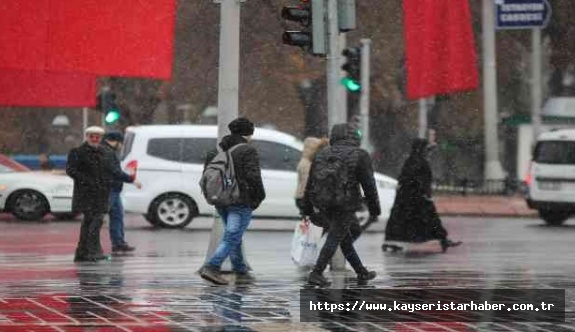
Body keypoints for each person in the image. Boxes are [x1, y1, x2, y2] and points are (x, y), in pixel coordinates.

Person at [303, 123, 381, 287]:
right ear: (354, 137)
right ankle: (317, 272)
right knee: (335, 236)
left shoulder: (322, 154)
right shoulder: (360, 155)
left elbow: (310, 182)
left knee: (343, 238)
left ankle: (361, 272)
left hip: (324, 202)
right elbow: (369, 185)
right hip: (346, 203)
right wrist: (374, 209)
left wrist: (307, 207)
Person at [199, 117, 266, 285]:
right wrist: (259, 197)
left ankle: (239, 267)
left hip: (221, 199)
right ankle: (212, 267)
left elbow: (207, 176)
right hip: (240, 200)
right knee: (232, 235)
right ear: (248, 133)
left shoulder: (216, 150)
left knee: (233, 233)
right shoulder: (247, 150)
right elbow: (253, 177)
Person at [383, 138, 461, 252]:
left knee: (404, 221)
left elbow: (405, 178)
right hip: (416, 198)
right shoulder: (419, 161)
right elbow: (417, 179)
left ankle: (392, 242)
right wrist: (423, 193)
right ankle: (442, 239)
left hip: (408, 198)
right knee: (428, 219)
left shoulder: (411, 160)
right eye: (425, 149)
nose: (426, 151)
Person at [66, 126, 112, 263]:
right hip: (86, 194)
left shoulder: (104, 152)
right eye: (91, 136)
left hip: (101, 194)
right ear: (86, 137)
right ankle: (92, 252)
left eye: (97, 137)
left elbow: (109, 170)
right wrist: (87, 181)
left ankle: (83, 253)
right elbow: (71, 170)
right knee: (94, 222)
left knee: (89, 223)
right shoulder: (77, 152)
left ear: (101, 138)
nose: (94, 139)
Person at [101, 131, 142, 253]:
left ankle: (119, 242)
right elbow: (114, 171)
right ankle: (115, 243)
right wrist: (131, 179)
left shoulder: (108, 151)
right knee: (103, 217)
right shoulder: (107, 152)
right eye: (121, 143)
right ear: (116, 141)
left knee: (117, 216)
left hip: (113, 189)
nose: (121, 146)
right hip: (109, 189)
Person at [294, 137, 329, 215]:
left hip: (302, 197)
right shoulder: (307, 164)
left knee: (308, 222)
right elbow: (307, 184)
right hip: (304, 198)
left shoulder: (306, 162)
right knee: (310, 222)